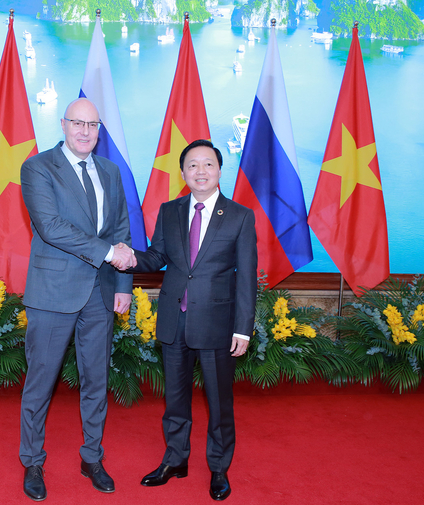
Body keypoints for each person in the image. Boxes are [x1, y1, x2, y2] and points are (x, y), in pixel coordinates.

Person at [116, 139, 257, 501]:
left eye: (207, 164)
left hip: (217, 324)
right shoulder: (170, 210)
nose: (200, 171)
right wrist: (129, 258)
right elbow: (158, 256)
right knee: (175, 400)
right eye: (192, 165)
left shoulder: (240, 216)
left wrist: (243, 327)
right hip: (173, 321)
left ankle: (219, 468)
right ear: (183, 173)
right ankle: (175, 460)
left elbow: (246, 277)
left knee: (219, 402)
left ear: (219, 171)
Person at [18, 98, 136, 502]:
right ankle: (32, 461)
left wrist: (123, 285)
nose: (85, 131)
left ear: (99, 129)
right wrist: (108, 253)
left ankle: (92, 457)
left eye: (93, 124)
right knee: (41, 382)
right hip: (53, 293)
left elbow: (121, 228)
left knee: (96, 380)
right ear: (63, 124)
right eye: (77, 123)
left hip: (101, 292)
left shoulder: (110, 170)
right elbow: (50, 227)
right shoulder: (37, 167)